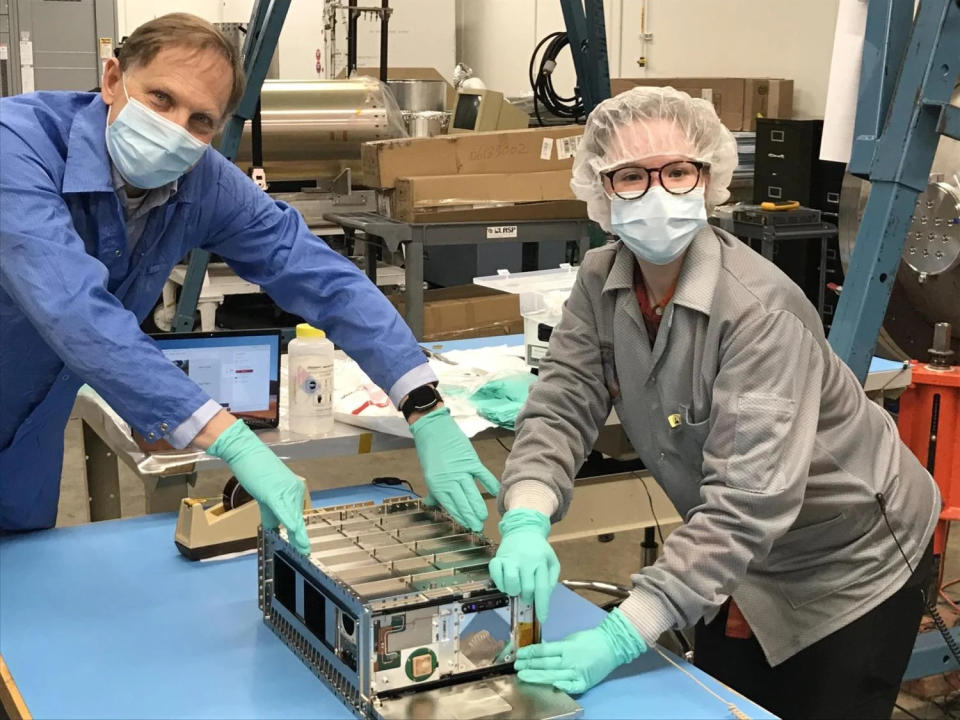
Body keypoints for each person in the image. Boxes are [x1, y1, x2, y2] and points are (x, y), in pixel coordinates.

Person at [488, 86, 939, 719]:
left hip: (850, 562)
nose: (656, 193)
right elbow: (562, 403)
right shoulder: (600, 280)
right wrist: (527, 517)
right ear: (600, 190)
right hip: (739, 564)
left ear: (709, 179)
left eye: (677, 171)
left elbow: (747, 503)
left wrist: (623, 632)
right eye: (630, 177)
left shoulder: (757, 312)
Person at [0, 13, 498, 545]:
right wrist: (229, 438)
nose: (174, 130)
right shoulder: (18, 146)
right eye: (161, 99)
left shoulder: (199, 180)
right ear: (113, 79)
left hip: (28, 429)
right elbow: (72, 308)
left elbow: (313, 270)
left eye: (200, 121)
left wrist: (423, 404)